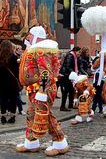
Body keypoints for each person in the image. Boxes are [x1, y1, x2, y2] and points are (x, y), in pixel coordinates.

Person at [16, 26, 69, 156]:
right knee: (32, 114)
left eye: (29, 34)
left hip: (42, 89)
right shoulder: (37, 48)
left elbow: (46, 72)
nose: (27, 37)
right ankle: (31, 142)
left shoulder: (42, 49)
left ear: (36, 36)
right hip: (36, 89)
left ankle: (60, 141)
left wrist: (43, 90)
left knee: (46, 115)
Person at [0, 40, 20, 124]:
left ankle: (3, 117)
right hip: (12, 82)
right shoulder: (14, 57)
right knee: (13, 99)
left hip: (1, 82)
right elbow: (17, 71)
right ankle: (12, 117)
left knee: (3, 100)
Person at [59, 46, 81, 111]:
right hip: (66, 75)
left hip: (69, 75)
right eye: (79, 52)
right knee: (66, 91)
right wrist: (73, 72)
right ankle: (62, 106)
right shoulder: (70, 56)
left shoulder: (74, 56)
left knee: (71, 90)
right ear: (75, 51)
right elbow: (68, 66)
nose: (79, 53)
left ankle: (70, 104)